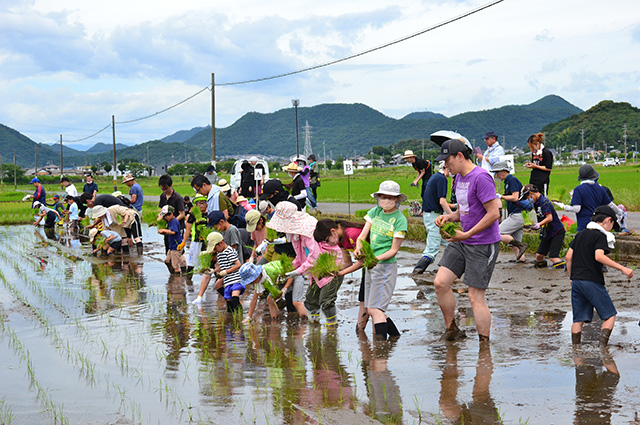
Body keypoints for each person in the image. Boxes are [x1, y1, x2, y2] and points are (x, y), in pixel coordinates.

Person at [433, 138, 501, 342]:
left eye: (448, 160)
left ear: (460, 156)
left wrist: (466, 234)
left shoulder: (481, 177)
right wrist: (449, 217)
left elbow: (493, 213)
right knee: (440, 282)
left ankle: (484, 345)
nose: (446, 165)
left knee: (475, 297)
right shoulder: (458, 178)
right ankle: (451, 328)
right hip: (462, 240)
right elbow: (465, 211)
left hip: (482, 243)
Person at [566, 205, 634, 348]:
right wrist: (622, 268)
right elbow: (599, 256)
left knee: (578, 320)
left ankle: (576, 350)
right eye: (612, 225)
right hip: (592, 280)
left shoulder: (580, 234)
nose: (611, 228)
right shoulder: (600, 235)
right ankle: (603, 349)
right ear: (608, 220)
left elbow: (568, 257)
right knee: (610, 315)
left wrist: (572, 277)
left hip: (577, 281)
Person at [350, 181, 408, 341]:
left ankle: (381, 349)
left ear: (397, 199)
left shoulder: (400, 220)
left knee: (375, 309)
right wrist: (358, 248)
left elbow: (393, 250)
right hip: (370, 264)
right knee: (370, 309)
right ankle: (394, 337)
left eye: (390, 198)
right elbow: (362, 236)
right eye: (383, 197)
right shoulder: (374, 212)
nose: (386, 200)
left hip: (385, 266)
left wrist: (375, 258)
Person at [266, 201, 321, 319]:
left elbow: (314, 257)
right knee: (312, 302)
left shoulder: (307, 232)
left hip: (322, 268)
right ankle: (314, 328)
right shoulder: (296, 235)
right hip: (313, 271)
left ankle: (322, 329)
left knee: (319, 301)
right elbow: (300, 257)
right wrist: (291, 268)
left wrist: (297, 271)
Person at [414, 161, 453, 273]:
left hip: (429, 214)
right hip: (433, 215)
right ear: (447, 167)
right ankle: (417, 271)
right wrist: (451, 215)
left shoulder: (435, 176)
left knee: (450, 242)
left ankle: (447, 267)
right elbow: (442, 201)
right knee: (433, 246)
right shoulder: (441, 179)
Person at [554, 164, 618, 232]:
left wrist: (563, 206)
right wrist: (619, 212)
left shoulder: (578, 189)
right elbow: (610, 204)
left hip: (584, 225)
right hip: (598, 225)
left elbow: (576, 209)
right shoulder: (600, 188)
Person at [491, 161, 529, 262]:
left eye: (497, 172)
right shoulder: (507, 182)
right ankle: (521, 261)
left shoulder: (512, 180)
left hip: (516, 216)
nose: (496, 175)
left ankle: (521, 245)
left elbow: (515, 197)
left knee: (496, 233)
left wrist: (501, 196)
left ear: (504, 170)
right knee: (514, 244)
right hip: (515, 215)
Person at [522, 184, 566, 269]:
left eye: (528, 198)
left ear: (531, 193)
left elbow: (549, 218)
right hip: (547, 231)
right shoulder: (537, 202)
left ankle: (564, 271)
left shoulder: (544, 202)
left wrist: (539, 224)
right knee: (539, 256)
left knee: (553, 257)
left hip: (556, 231)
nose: (528, 200)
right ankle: (543, 274)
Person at [158, 174, 185, 252]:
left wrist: (172, 223)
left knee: (178, 249)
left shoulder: (178, 198)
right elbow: (162, 211)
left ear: (171, 185)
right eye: (162, 189)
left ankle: (181, 264)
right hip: (168, 228)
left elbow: (182, 214)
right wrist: (158, 219)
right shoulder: (162, 196)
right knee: (168, 248)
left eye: (165, 189)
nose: (164, 191)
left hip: (177, 227)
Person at [157, 205, 187, 274]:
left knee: (175, 266)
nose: (165, 218)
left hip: (176, 246)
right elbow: (169, 233)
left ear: (171, 214)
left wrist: (164, 230)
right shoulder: (170, 222)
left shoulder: (174, 221)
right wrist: (163, 232)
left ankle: (176, 280)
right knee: (167, 261)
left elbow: (173, 232)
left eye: (166, 216)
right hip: (172, 246)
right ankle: (175, 274)